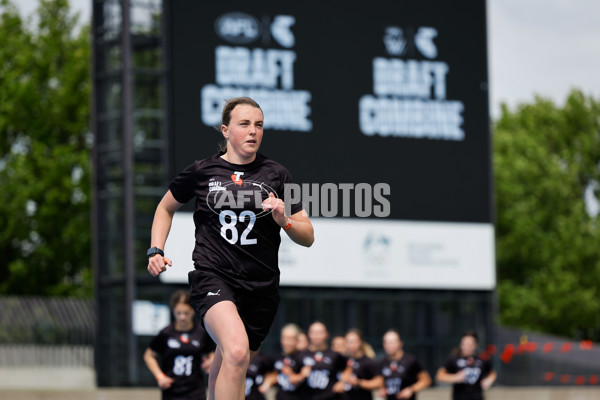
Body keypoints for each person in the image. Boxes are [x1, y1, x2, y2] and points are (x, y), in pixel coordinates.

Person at [147, 97, 315, 400]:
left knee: (231, 360)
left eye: (259, 125)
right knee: (236, 350)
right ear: (226, 130)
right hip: (214, 277)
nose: (253, 131)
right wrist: (155, 249)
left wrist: (284, 220)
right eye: (244, 124)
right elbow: (165, 208)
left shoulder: (277, 174)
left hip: (261, 289)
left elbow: (308, 236)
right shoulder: (202, 171)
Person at [143, 290, 215, 400]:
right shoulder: (166, 333)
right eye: (178, 313)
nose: (182, 317)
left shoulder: (201, 332)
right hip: (172, 391)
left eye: (186, 313)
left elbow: (213, 352)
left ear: (193, 311)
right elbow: (149, 355)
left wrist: (211, 362)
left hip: (196, 391)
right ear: (173, 311)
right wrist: (160, 376)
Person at [435, 330, 497, 400]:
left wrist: (489, 380)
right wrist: (455, 377)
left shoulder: (482, 359)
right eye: (465, 344)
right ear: (461, 345)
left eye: (470, 344)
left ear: (475, 345)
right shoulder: (454, 359)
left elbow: (492, 373)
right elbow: (439, 375)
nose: (467, 347)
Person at [297, 321, 348, 400]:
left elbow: (348, 367)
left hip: (330, 397)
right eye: (314, 332)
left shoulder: (335, 355)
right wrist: (301, 376)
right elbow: (291, 376)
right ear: (309, 334)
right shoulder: (301, 355)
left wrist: (342, 382)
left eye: (320, 332)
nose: (317, 335)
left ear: (326, 334)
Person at [378, 329, 431, 400]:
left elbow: (426, 380)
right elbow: (382, 381)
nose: (389, 345)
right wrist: (382, 389)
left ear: (400, 343)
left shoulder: (410, 361)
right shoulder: (383, 362)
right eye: (386, 342)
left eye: (392, 342)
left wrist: (411, 389)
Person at [261, 323, 308, 400]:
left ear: (297, 340)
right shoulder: (277, 357)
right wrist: (268, 381)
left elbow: (303, 376)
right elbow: (273, 374)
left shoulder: (303, 357)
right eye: (285, 339)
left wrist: (290, 374)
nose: (287, 343)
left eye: (290, 339)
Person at [337, 329, 383, 400]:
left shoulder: (368, 362)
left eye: (353, 342)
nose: (350, 344)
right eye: (348, 342)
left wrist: (359, 383)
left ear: (360, 342)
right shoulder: (342, 360)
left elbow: (379, 382)